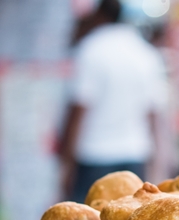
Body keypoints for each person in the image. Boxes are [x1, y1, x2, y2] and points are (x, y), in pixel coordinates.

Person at [58, 0, 167, 203]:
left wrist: (65, 165)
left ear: (98, 15)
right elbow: (153, 114)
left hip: (93, 157)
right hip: (135, 155)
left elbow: (78, 111)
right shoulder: (145, 53)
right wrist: (159, 163)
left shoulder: (90, 50)